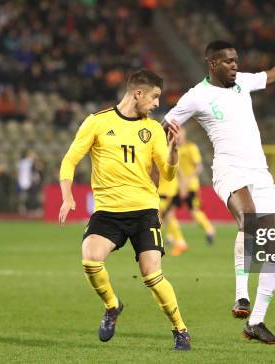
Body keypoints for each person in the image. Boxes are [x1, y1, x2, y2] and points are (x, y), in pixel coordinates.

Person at [163, 27, 275, 344]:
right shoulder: (197, 96)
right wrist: (158, 143)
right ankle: (241, 296)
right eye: (228, 62)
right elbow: (167, 123)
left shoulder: (243, 83)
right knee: (250, 220)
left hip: (260, 172)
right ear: (212, 64)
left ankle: (256, 322)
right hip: (228, 170)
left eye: (236, 61)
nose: (234, 66)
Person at [58, 69, 191, 351]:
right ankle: (112, 306)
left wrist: (174, 152)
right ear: (138, 93)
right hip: (108, 212)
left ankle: (180, 329)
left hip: (144, 211)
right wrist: (67, 195)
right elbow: (70, 159)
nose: (157, 104)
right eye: (155, 97)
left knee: (152, 274)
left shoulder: (153, 129)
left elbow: (166, 176)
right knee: (90, 258)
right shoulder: (97, 122)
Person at [177, 127, 216, 244]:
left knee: (192, 209)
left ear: (184, 134)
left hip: (190, 185)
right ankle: (172, 237)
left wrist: (187, 179)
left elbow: (198, 167)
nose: (178, 135)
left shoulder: (191, 147)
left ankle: (209, 229)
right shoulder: (172, 148)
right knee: (169, 210)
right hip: (177, 185)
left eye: (180, 132)